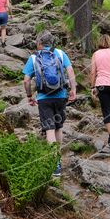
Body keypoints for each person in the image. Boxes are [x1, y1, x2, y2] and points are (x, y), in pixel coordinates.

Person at [22, 30, 77, 177]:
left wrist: (29, 95)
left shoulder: (33, 58)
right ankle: (58, 158)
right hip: (60, 96)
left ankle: (55, 164)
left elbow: (26, 80)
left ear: (39, 43)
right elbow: (70, 71)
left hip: (44, 98)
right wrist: (73, 90)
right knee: (58, 127)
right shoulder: (60, 53)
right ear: (51, 42)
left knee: (49, 129)